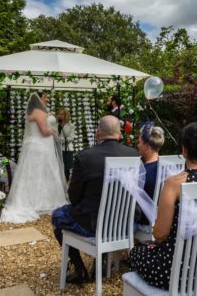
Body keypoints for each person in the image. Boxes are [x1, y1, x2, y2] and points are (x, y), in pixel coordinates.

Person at [130, 122, 197, 290]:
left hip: (174, 271)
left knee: (135, 252)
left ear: (184, 149)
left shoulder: (174, 183)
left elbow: (159, 234)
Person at [51, 115, 138, 284]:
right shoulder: (133, 154)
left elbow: (74, 197)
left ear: (98, 133)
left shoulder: (85, 157)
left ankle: (79, 269)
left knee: (56, 216)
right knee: (100, 212)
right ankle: (103, 261)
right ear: (119, 134)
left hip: (93, 225)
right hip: (124, 223)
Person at [1, 91, 68, 224]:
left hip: (32, 146)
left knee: (31, 174)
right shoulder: (40, 113)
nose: (46, 100)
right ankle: (43, 201)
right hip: (42, 147)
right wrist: (53, 131)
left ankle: (31, 199)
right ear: (38, 100)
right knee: (44, 173)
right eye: (44, 98)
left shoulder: (30, 114)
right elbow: (44, 132)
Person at [135, 122, 165, 225]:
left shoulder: (142, 172)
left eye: (139, 142)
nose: (137, 145)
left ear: (147, 146)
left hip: (145, 221)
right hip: (163, 218)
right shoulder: (166, 167)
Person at [57, 107, 75, 182]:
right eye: (59, 114)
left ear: (66, 115)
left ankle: (66, 184)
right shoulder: (56, 124)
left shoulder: (71, 125)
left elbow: (71, 137)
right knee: (58, 167)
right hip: (58, 148)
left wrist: (61, 140)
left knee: (66, 168)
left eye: (62, 114)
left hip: (67, 148)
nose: (60, 116)